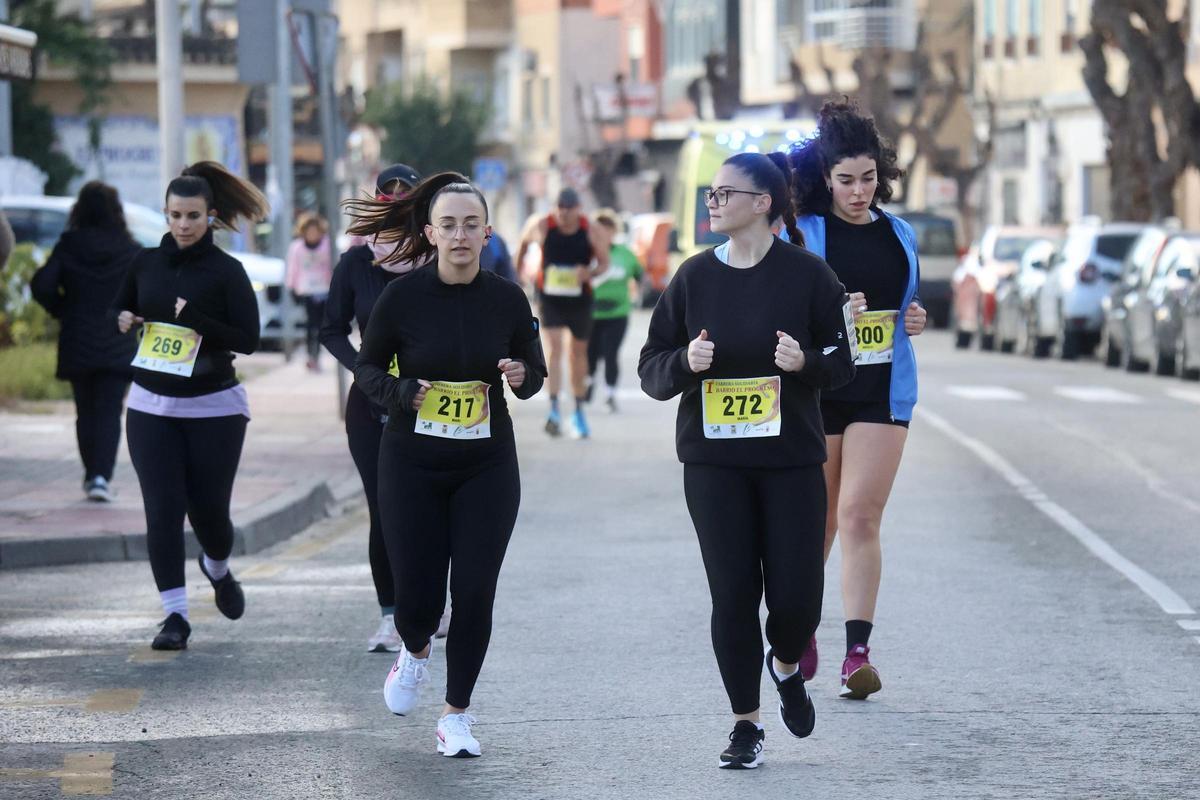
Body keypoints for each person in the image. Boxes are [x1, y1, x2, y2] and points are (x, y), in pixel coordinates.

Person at [638, 152, 855, 769]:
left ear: (764, 202)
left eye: (725, 193)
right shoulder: (693, 278)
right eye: (710, 193)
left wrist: (805, 364)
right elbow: (652, 366)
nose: (713, 202)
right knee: (732, 594)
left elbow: (842, 365)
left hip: (789, 461)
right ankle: (745, 724)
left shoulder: (810, 277)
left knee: (797, 599)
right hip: (714, 464)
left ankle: (785, 664)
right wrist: (685, 364)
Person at [346, 172, 546, 758]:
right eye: (449, 225)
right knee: (418, 598)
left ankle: (456, 713)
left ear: (487, 233)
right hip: (411, 463)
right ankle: (413, 650)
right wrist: (402, 392)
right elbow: (367, 369)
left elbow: (535, 373)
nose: (461, 235)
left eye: (471, 225)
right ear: (431, 233)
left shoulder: (506, 297)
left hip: (486, 465)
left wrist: (523, 376)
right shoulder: (401, 298)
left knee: (476, 592)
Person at [786, 99, 927, 699]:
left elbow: (905, 305)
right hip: (821, 389)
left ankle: (857, 654)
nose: (859, 190)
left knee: (860, 517)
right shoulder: (805, 233)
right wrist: (833, 315)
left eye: (868, 178)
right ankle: (798, 628)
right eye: (846, 180)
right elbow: (789, 308)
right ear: (825, 178)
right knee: (816, 523)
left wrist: (914, 317)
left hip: (880, 391)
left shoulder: (900, 233)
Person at [111, 161, 267, 651]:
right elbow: (123, 305)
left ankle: (216, 567)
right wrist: (123, 317)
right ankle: (174, 617)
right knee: (162, 511)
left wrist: (197, 319)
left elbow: (249, 340)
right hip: (150, 406)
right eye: (175, 215)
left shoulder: (227, 271)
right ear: (165, 213)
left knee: (211, 519)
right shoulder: (145, 263)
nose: (182, 225)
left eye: (193, 216)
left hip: (214, 408)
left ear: (210, 216)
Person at [321, 163, 448, 652]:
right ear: (376, 201)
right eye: (387, 195)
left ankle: (435, 603)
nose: (396, 202)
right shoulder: (355, 264)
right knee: (385, 509)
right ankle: (391, 615)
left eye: (405, 195)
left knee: (432, 508)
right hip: (372, 405)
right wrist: (364, 368)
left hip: (433, 402)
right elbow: (330, 328)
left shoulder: (437, 256)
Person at [31, 182, 141, 502]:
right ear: (116, 211)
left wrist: (62, 308)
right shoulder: (129, 248)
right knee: (109, 411)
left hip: (78, 338)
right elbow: (142, 293)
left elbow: (42, 285)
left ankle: (90, 472)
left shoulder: (69, 244)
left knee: (85, 411)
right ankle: (100, 477)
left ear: (79, 209)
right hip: (118, 341)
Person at [516, 188, 608, 438]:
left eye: (569, 208)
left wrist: (589, 273)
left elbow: (604, 264)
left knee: (577, 353)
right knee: (554, 349)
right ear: (554, 207)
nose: (564, 213)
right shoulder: (542, 225)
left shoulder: (591, 229)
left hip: (580, 299)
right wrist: (520, 276)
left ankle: (578, 410)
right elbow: (522, 245)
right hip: (550, 298)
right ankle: (554, 409)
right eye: (560, 207)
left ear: (578, 208)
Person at [586, 210, 643, 413]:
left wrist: (639, 296)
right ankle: (588, 382)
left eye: (607, 230)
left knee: (611, 354)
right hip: (590, 314)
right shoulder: (587, 251)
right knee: (590, 355)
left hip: (617, 313)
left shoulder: (625, 254)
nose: (603, 234)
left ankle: (610, 394)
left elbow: (639, 275)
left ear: (613, 231)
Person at [286, 213, 333, 372]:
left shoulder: (327, 245)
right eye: (309, 231)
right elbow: (293, 268)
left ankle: (316, 356)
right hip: (306, 290)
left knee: (320, 326)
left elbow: (333, 266)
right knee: (310, 325)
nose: (312, 234)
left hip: (324, 290)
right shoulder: (297, 247)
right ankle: (310, 356)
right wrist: (292, 287)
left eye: (315, 231)